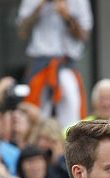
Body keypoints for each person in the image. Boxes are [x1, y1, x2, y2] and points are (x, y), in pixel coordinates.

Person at [17, 0, 93, 128]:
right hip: (41, 63)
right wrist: (38, 8)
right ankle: (36, 143)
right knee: (35, 110)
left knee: (71, 103)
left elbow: (83, 35)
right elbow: (22, 31)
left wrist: (66, 16)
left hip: (66, 63)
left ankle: (71, 143)